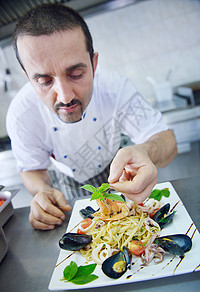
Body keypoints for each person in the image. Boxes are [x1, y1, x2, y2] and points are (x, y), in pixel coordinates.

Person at [6, 3, 177, 230]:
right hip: (67, 183)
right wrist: (43, 192)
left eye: (75, 74)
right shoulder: (21, 114)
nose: (65, 97)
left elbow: (167, 140)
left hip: (117, 172)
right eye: (45, 81)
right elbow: (31, 169)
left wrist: (146, 151)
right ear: (28, 77)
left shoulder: (115, 89)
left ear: (94, 64)